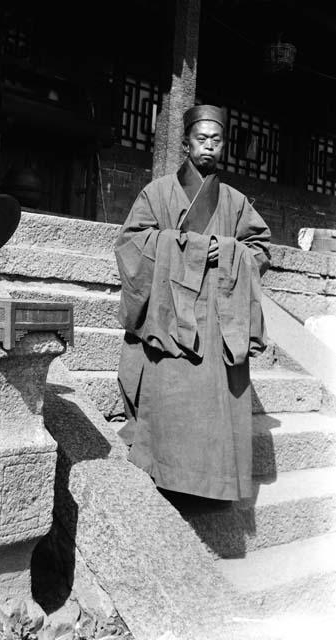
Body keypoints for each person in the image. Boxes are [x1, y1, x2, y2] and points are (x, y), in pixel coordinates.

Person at [114, 104, 271, 501]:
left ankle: (212, 482)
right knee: (170, 403)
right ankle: (164, 472)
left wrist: (230, 253)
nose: (209, 147)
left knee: (212, 410)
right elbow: (131, 243)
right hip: (170, 316)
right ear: (186, 143)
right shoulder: (157, 192)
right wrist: (190, 250)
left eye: (216, 141)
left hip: (219, 316)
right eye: (201, 139)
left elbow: (259, 249)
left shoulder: (235, 201)